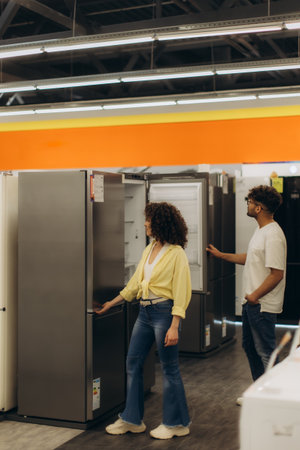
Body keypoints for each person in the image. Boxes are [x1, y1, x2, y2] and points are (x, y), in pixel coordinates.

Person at [95, 201, 192, 440]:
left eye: (149, 220)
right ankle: (132, 419)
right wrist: (112, 302)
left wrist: (175, 325)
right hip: (145, 313)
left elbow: (182, 291)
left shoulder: (177, 253)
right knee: (133, 363)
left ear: (159, 222)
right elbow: (136, 285)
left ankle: (176, 423)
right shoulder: (149, 249)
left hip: (164, 313)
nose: (146, 224)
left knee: (169, 369)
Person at [207, 185, 286, 394]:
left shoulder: (273, 235)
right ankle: (260, 392)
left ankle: (278, 395)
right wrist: (222, 255)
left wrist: (254, 296)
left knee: (266, 352)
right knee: (250, 349)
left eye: (250, 202)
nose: (248, 205)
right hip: (252, 302)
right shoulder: (260, 230)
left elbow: (277, 274)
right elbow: (250, 258)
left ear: (258, 208)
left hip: (261, 304)